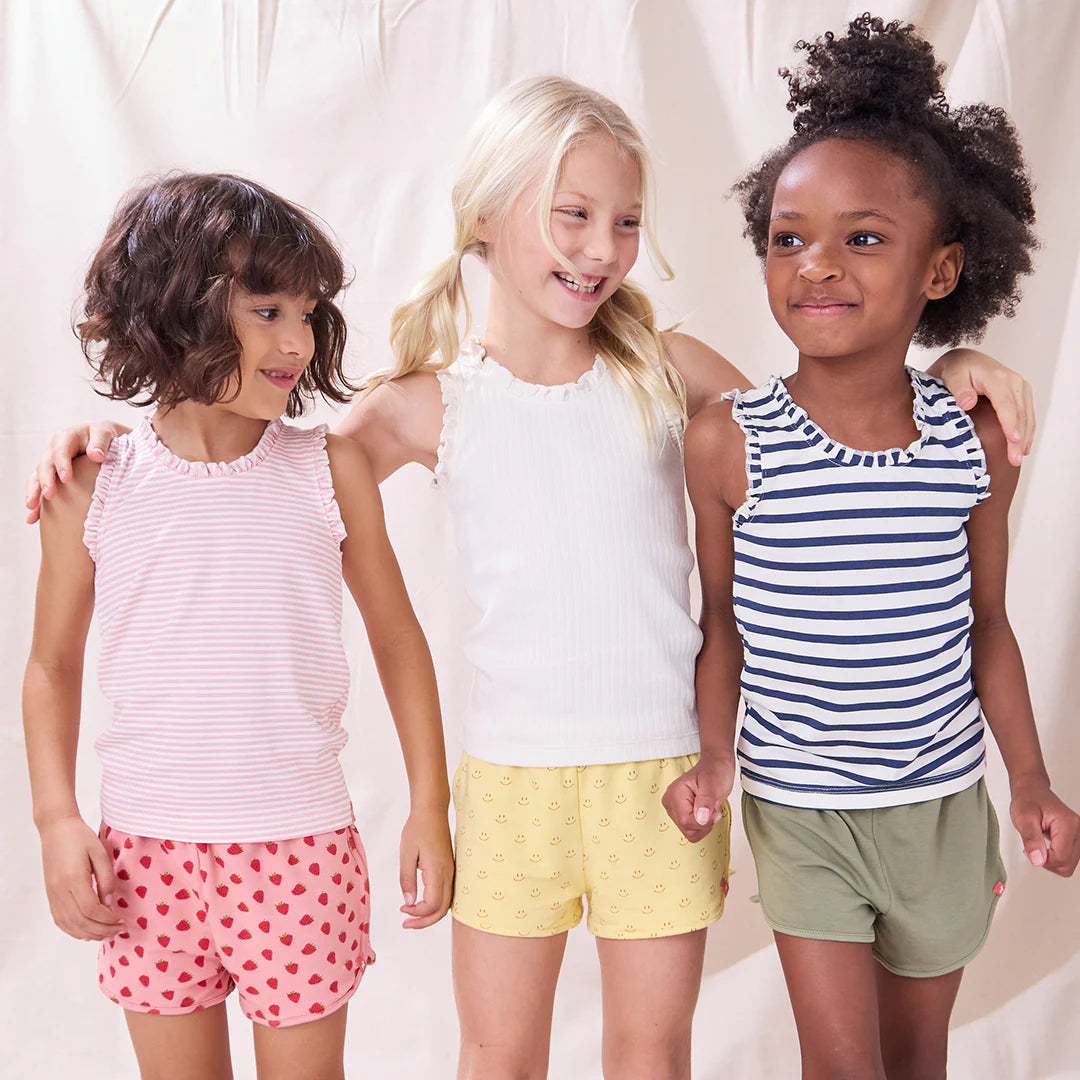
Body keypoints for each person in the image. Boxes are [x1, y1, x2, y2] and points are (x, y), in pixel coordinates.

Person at [25, 80, 1035, 1080]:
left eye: (626, 221)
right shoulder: (424, 406)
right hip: (510, 786)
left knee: (650, 1055)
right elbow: (252, 470)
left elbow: (829, 418)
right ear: (484, 216)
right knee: (497, 1055)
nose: (603, 248)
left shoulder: (671, 368)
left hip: (660, 778)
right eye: (573, 215)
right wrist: (114, 443)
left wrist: (952, 371)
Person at [662, 15, 1080, 1080]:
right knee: (842, 1065)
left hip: (940, 807)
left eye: (863, 238)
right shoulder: (728, 443)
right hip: (802, 810)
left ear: (941, 270)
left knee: (916, 1055)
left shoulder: (971, 438)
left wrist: (1030, 781)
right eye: (788, 238)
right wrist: (714, 757)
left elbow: (988, 624)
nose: (817, 265)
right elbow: (723, 623)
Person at [22, 173, 453, 1080]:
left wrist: (430, 803)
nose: (297, 341)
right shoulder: (93, 485)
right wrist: (57, 819)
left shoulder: (329, 470)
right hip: (144, 859)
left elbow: (400, 641)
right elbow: (51, 666)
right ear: (173, 309)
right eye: (267, 311)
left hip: (300, 853)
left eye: (307, 314)